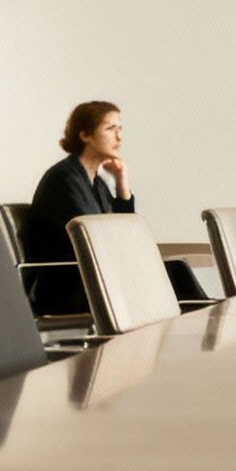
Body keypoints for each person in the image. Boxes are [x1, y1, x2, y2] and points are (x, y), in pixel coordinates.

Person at [21, 101, 207, 317]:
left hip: (96, 278)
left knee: (174, 269)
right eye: (110, 128)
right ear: (85, 135)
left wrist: (121, 184)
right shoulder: (64, 179)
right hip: (67, 287)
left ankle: (206, 322)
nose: (119, 137)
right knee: (171, 272)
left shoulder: (96, 182)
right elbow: (97, 241)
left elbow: (124, 234)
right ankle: (210, 324)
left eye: (120, 129)